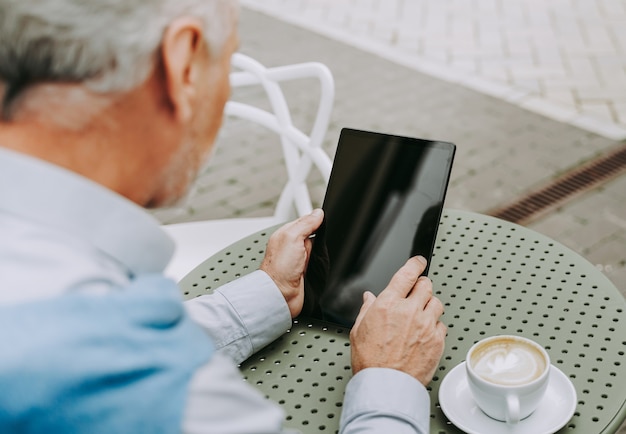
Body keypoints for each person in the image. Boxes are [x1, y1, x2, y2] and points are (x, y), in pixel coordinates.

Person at [0, 0, 446, 432]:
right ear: (184, 64)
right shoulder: (141, 381)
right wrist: (390, 379)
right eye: (228, 64)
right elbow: (102, 359)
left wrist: (270, 293)